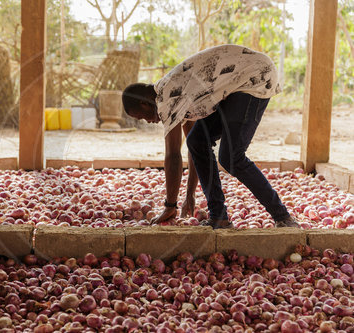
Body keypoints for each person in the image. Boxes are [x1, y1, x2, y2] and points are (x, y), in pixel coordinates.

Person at [121, 44, 299, 229]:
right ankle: (218, 217)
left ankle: (283, 217)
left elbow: (173, 156)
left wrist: (170, 206)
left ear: (144, 103)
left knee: (231, 157)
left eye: (142, 117)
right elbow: (195, 146)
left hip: (254, 77)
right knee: (197, 141)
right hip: (236, 84)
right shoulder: (174, 97)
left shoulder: (167, 100)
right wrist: (190, 194)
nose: (148, 122)